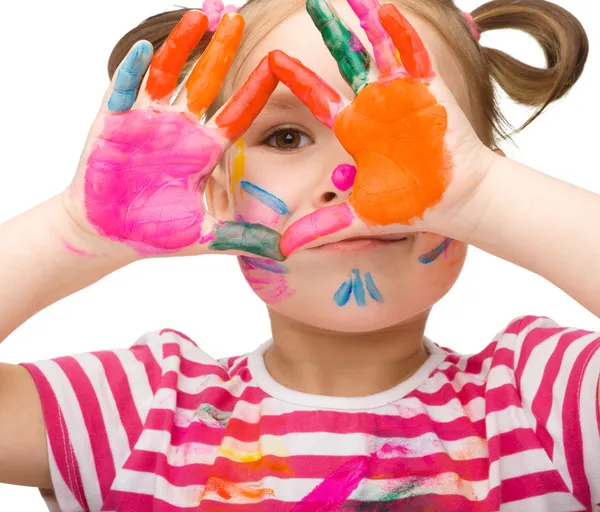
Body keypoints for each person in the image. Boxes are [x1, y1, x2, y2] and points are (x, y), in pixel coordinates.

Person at [0, 0, 598, 510]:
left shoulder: (541, 400)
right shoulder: (141, 414)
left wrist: (481, 197)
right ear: (213, 187)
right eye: (285, 137)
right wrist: (79, 228)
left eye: (415, 137)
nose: (351, 175)